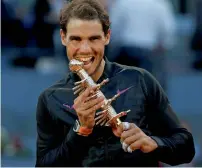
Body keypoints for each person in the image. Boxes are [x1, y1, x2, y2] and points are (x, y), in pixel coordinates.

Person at [35, 0, 195, 166]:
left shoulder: (142, 81)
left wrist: (153, 143)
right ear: (63, 38)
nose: (84, 49)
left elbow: (185, 148)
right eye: (76, 39)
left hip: (133, 55)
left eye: (94, 39)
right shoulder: (50, 98)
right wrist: (80, 130)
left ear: (107, 37)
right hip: (149, 55)